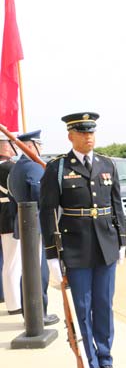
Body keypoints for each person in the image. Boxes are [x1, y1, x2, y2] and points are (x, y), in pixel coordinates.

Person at [39, 112, 126, 368]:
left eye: (92, 131)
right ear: (70, 136)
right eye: (82, 132)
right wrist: (52, 254)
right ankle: (91, 366)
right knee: (83, 307)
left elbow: (116, 205)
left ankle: (106, 359)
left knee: (104, 306)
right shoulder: (58, 168)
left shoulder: (107, 164)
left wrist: (122, 240)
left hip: (106, 247)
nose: (89, 136)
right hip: (76, 248)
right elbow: (48, 212)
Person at [8, 130, 59, 326]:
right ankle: (39, 313)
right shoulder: (33, 168)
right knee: (38, 272)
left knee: (28, 270)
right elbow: (41, 198)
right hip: (36, 225)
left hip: (24, 223)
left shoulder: (17, 168)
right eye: (39, 145)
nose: (41, 149)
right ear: (30, 146)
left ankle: (29, 313)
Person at [0, 136, 16, 310]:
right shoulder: (9, 168)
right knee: (13, 263)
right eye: (10, 144)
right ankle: (14, 303)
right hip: (10, 216)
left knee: (7, 261)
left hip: (4, 216)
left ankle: (9, 299)